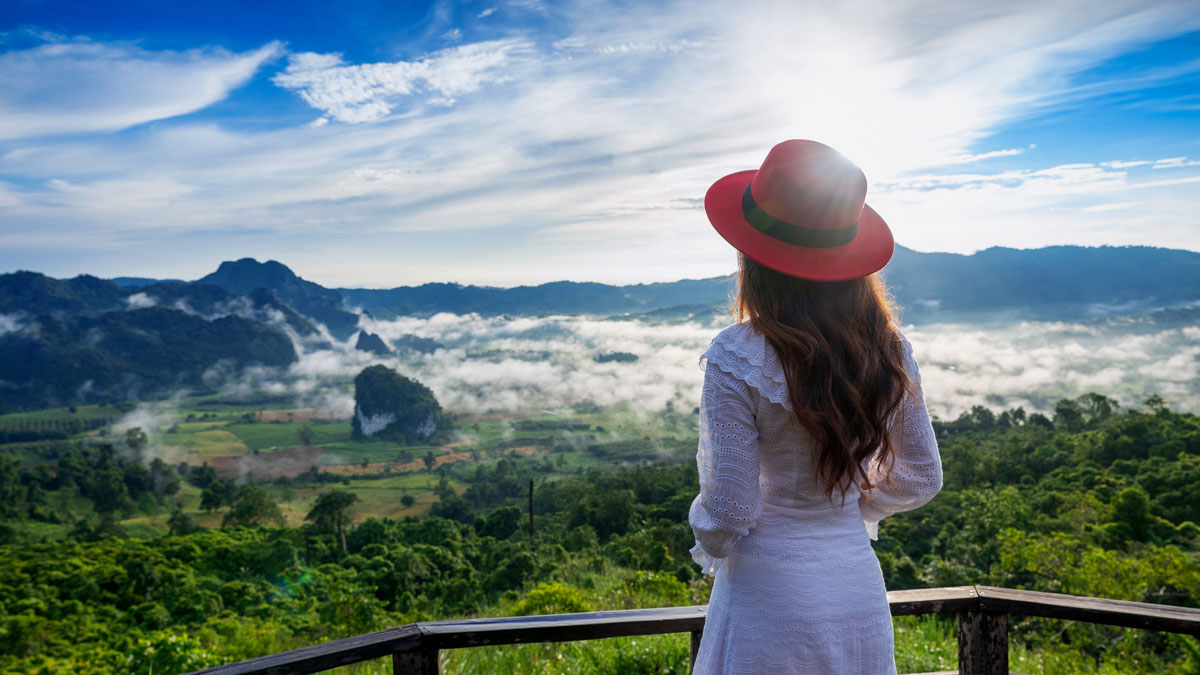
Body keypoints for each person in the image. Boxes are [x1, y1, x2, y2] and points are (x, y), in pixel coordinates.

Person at [688, 139, 943, 674]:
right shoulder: (888, 349)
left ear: (754, 260)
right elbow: (921, 478)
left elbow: (730, 510)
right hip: (853, 588)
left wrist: (704, 538)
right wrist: (849, 505)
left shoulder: (737, 355)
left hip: (768, 595)